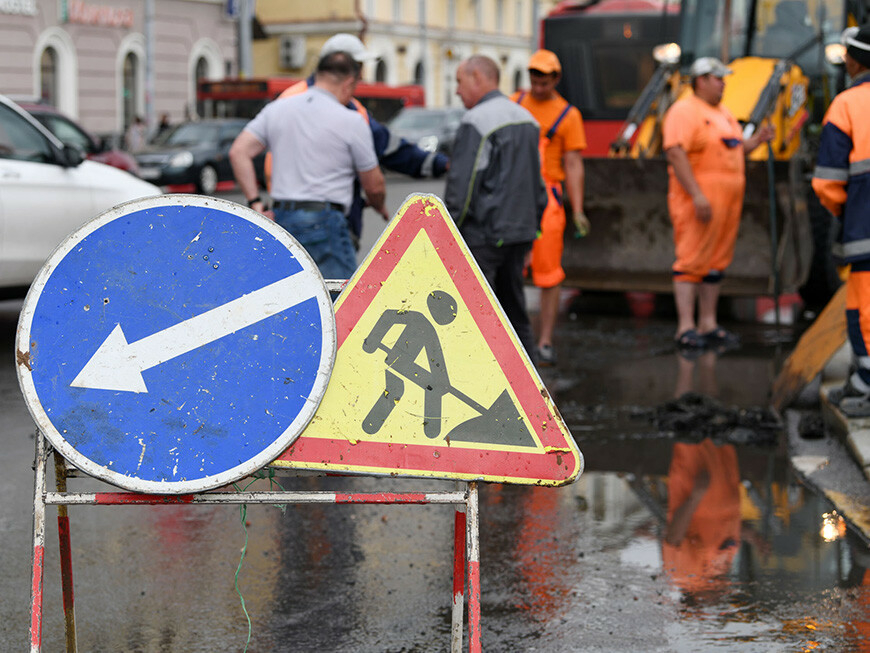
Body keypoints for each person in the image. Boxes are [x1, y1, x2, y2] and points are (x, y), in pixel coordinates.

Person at [266, 33, 449, 247]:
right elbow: (387, 151)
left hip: (284, 214)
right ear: (344, 66)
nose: (361, 75)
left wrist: (257, 202)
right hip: (329, 221)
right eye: (359, 67)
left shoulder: (289, 98)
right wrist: (439, 164)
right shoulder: (344, 108)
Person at [230, 50, 388, 280]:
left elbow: (238, 152)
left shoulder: (278, 109)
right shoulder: (351, 120)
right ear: (350, 82)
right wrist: (378, 204)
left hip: (281, 220)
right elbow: (373, 185)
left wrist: (255, 202)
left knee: (289, 302)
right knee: (337, 305)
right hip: (325, 223)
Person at [662, 57, 774, 353]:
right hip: (698, 202)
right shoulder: (684, 111)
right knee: (690, 261)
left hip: (726, 204)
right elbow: (675, 153)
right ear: (700, 80)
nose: (724, 83)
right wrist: (697, 194)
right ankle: (685, 327)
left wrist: (759, 140)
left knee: (715, 262)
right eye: (718, 78)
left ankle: (707, 324)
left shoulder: (724, 113)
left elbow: (736, 149)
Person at [445, 55, 547, 359]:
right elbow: (536, 186)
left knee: (476, 317)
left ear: (478, 76)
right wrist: (532, 230)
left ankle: (478, 381)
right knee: (515, 312)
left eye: (459, 81)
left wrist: (447, 232)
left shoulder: (477, 121)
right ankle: (531, 389)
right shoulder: (527, 119)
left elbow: (462, 189)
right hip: (518, 234)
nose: (457, 90)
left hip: (484, 236)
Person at [511, 49, 587, 367]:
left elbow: (573, 164)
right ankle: (510, 340)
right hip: (512, 198)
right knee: (508, 271)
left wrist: (578, 209)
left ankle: (544, 342)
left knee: (549, 275)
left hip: (548, 202)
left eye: (544, 80)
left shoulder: (568, 115)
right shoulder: (514, 103)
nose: (537, 86)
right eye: (534, 79)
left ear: (555, 79)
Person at [812, 25, 870, 416]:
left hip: (865, 228)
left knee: (864, 310)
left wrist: (846, 213)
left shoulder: (847, 104)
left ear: (852, 60)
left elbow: (827, 182)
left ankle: (867, 385)